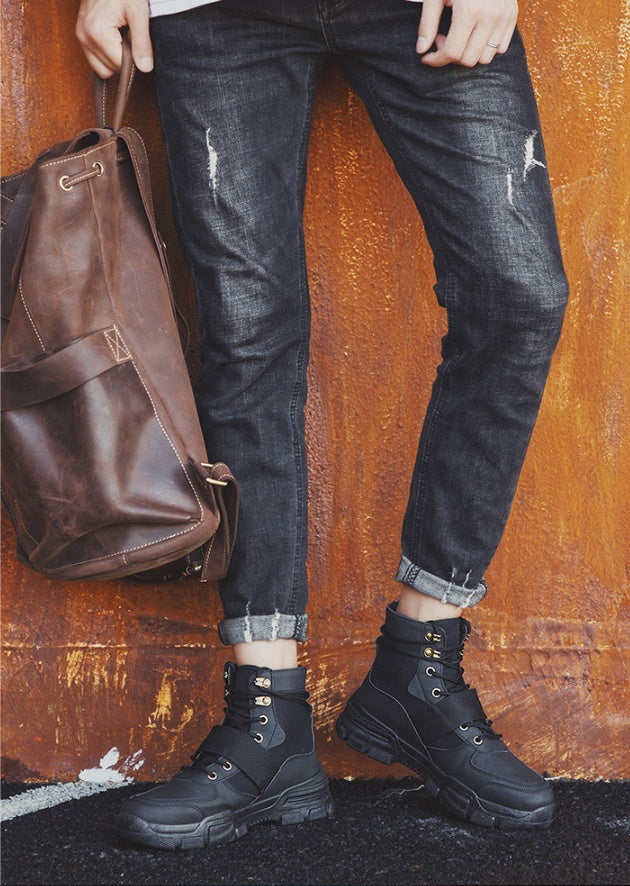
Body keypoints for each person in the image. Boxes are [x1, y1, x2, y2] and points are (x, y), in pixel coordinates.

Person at [76, 0, 569, 849]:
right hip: (212, 13)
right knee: (245, 336)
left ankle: (422, 666)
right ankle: (265, 721)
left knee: (518, 295)